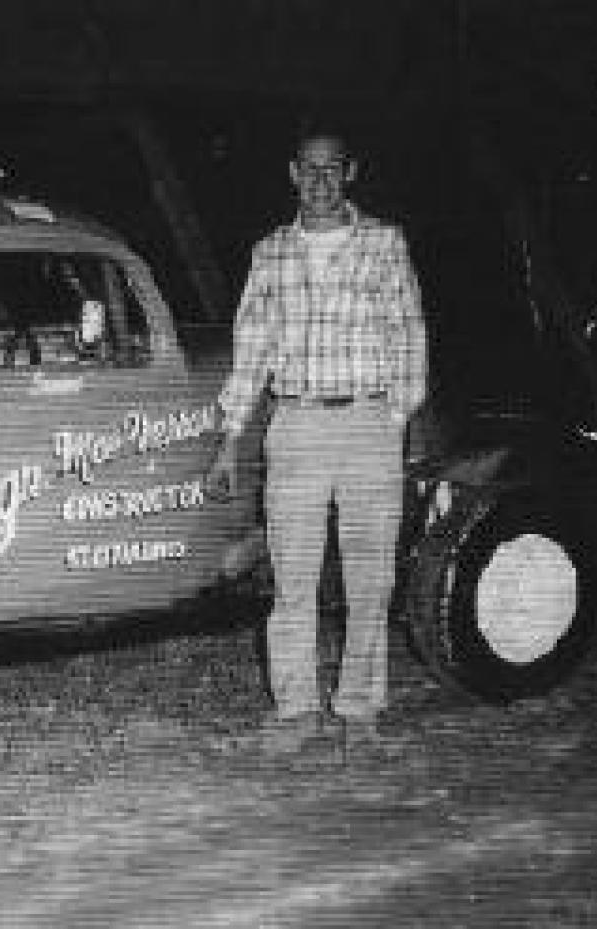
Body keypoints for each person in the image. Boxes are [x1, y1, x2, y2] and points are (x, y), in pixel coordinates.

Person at [207, 123, 427, 758]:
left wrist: (393, 421)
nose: (321, 180)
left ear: (351, 173)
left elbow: (409, 336)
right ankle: (296, 710)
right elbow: (251, 352)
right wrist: (229, 441)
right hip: (296, 425)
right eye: (310, 169)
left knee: (370, 579)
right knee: (293, 580)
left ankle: (360, 707)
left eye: (333, 168)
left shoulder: (384, 243)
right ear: (293, 175)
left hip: (368, 423)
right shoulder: (270, 253)